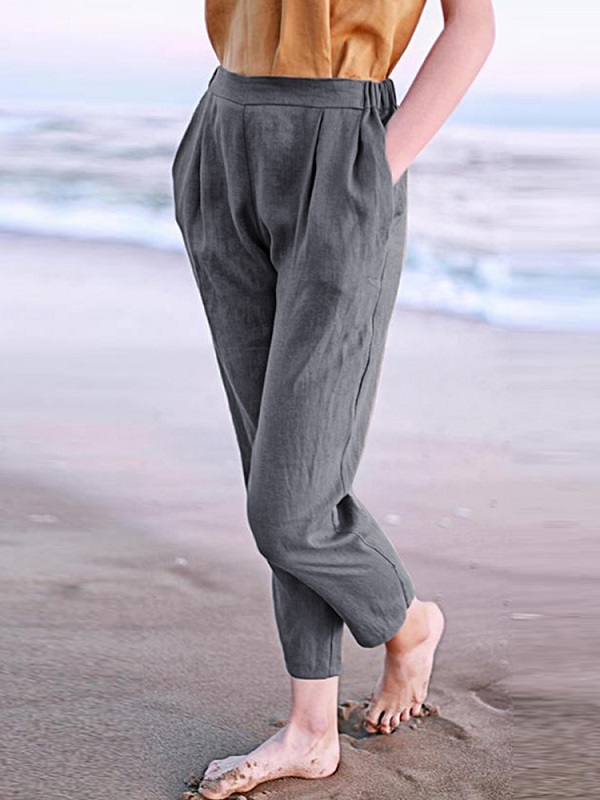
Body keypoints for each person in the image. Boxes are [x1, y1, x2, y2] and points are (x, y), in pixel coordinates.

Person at [171, 1, 495, 797]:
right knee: (274, 460)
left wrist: (377, 166)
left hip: (343, 142)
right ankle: (310, 730)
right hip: (224, 131)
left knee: (291, 504)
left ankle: (406, 619)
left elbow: (473, 24)